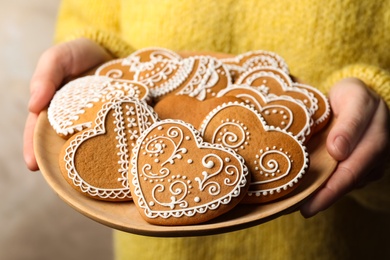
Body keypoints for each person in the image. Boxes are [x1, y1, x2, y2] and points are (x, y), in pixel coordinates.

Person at [24, 0, 390, 259]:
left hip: (337, 243)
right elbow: (92, 12)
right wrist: (98, 59)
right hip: (154, 246)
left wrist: (381, 106)